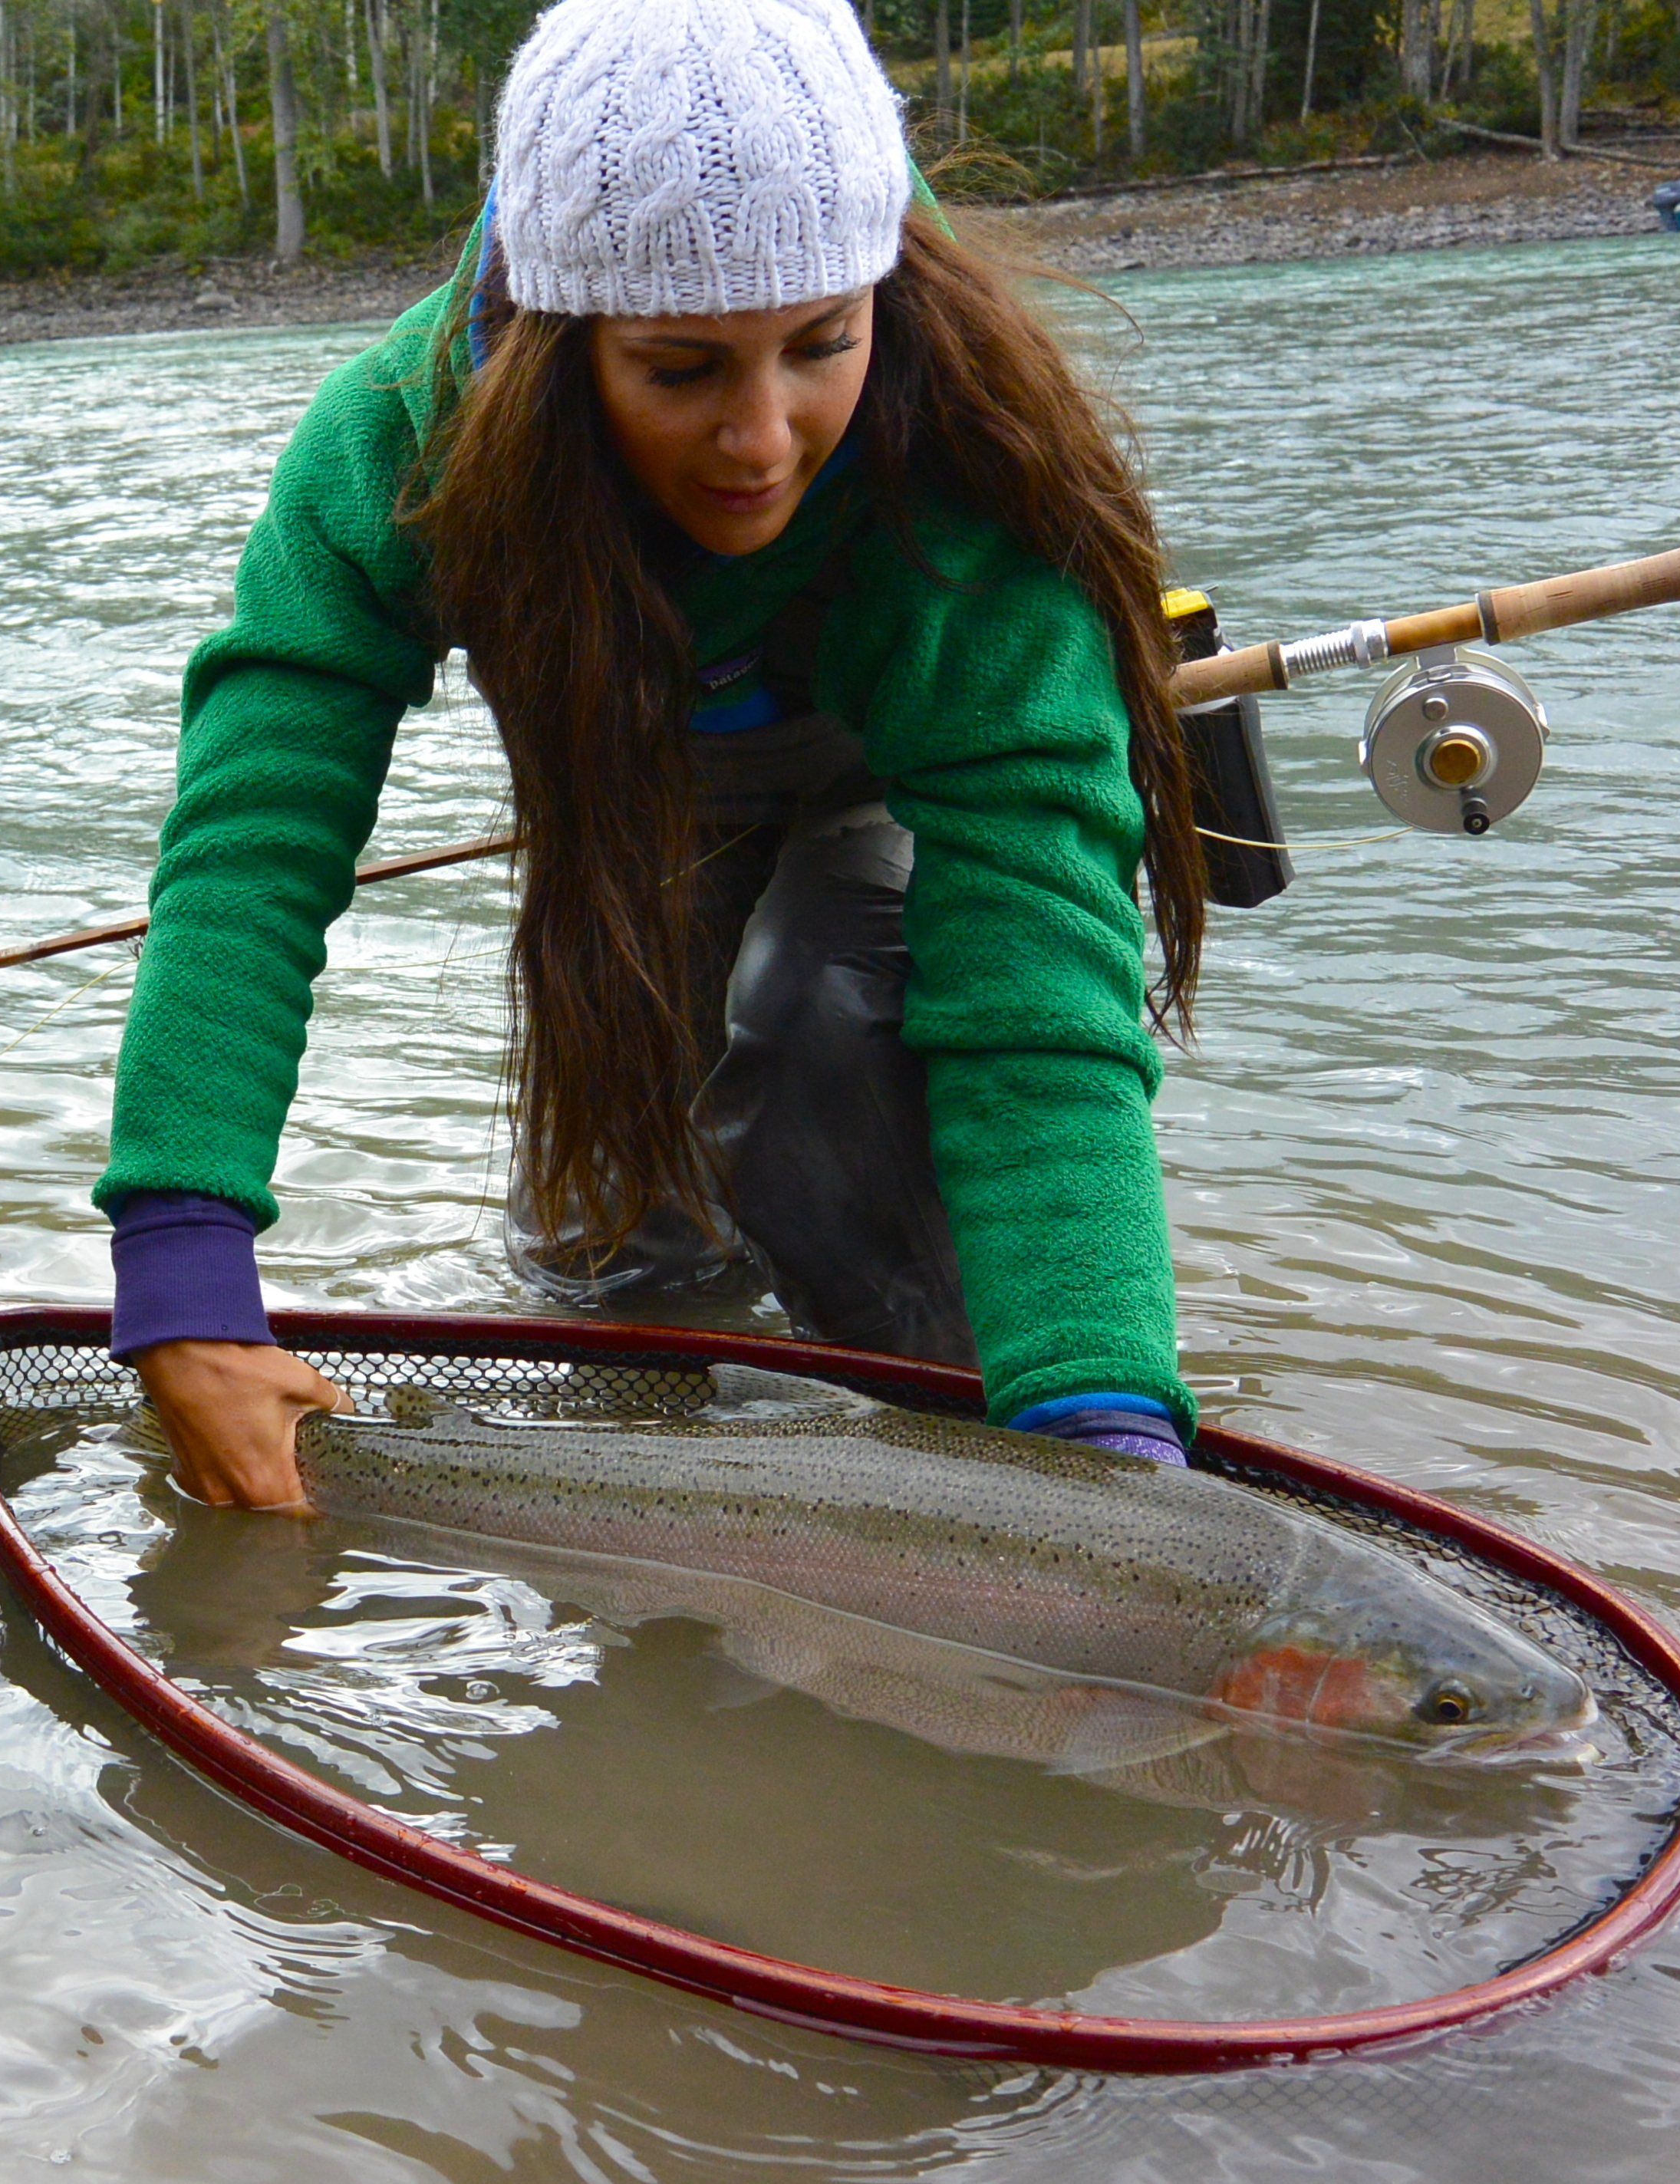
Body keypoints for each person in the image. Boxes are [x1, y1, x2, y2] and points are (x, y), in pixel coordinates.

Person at [98, 0, 1209, 1510]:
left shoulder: (961, 464)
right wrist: (183, 1262)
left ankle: (944, 1435)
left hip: (880, 769)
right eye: (683, 370)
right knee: (614, 1250)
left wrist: (1102, 1456)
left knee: (822, 1021)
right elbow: (251, 853)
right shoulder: (398, 449)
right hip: (641, 783)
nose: (762, 435)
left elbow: (1035, 995)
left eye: (820, 345)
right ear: (558, 356)